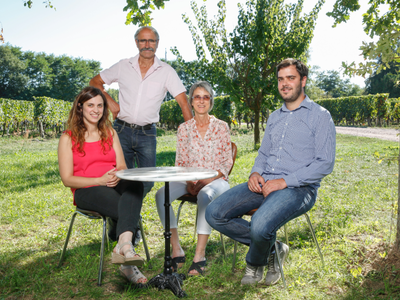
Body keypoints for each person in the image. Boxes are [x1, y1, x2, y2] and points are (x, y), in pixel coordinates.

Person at [205, 58, 336, 286]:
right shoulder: (274, 117)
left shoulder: (320, 116)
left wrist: (285, 181)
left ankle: (255, 264)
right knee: (214, 212)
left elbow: (325, 163)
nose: (284, 84)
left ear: (303, 80)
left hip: (299, 188)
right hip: (264, 182)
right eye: (280, 79)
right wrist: (255, 173)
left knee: (259, 223)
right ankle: (273, 249)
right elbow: (264, 154)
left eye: (291, 78)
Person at [58, 87, 147, 286]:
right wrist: (99, 180)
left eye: (100, 105)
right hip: (86, 189)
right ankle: (126, 259)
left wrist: (116, 174)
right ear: (80, 108)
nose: (96, 110)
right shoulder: (67, 138)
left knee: (135, 186)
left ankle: (122, 246)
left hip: (113, 182)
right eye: (91, 105)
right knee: (127, 208)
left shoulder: (110, 133)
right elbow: (67, 179)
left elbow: (122, 165)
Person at [89, 26, 193, 197]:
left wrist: (192, 133)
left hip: (147, 134)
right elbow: (95, 82)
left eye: (151, 40)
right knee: (119, 179)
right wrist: (111, 102)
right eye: (143, 40)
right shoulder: (124, 65)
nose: (147, 44)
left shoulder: (166, 71)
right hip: (121, 130)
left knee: (147, 182)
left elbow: (183, 103)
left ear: (157, 43)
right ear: (136, 43)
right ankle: (123, 220)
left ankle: (128, 215)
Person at [155, 81, 233, 276]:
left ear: (211, 101)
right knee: (160, 195)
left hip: (216, 180)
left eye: (205, 97)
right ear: (191, 101)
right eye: (197, 97)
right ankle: (176, 250)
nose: (201, 101)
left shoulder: (222, 127)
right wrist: (190, 181)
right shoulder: (183, 129)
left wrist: (206, 180)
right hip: (188, 179)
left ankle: (200, 256)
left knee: (205, 196)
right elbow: (180, 162)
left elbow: (226, 163)